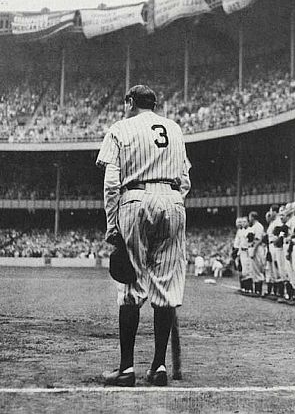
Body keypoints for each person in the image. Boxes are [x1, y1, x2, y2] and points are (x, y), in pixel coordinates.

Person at [97, 85, 191, 387]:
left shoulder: (120, 128)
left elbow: (112, 182)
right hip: (173, 200)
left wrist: (113, 225)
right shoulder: (174, 128)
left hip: (136, 198)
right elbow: (186, 180)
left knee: (131, 288)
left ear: (129, 102)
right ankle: (159, 367)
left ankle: (126, 369)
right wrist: (171, 201)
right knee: (165, 288)